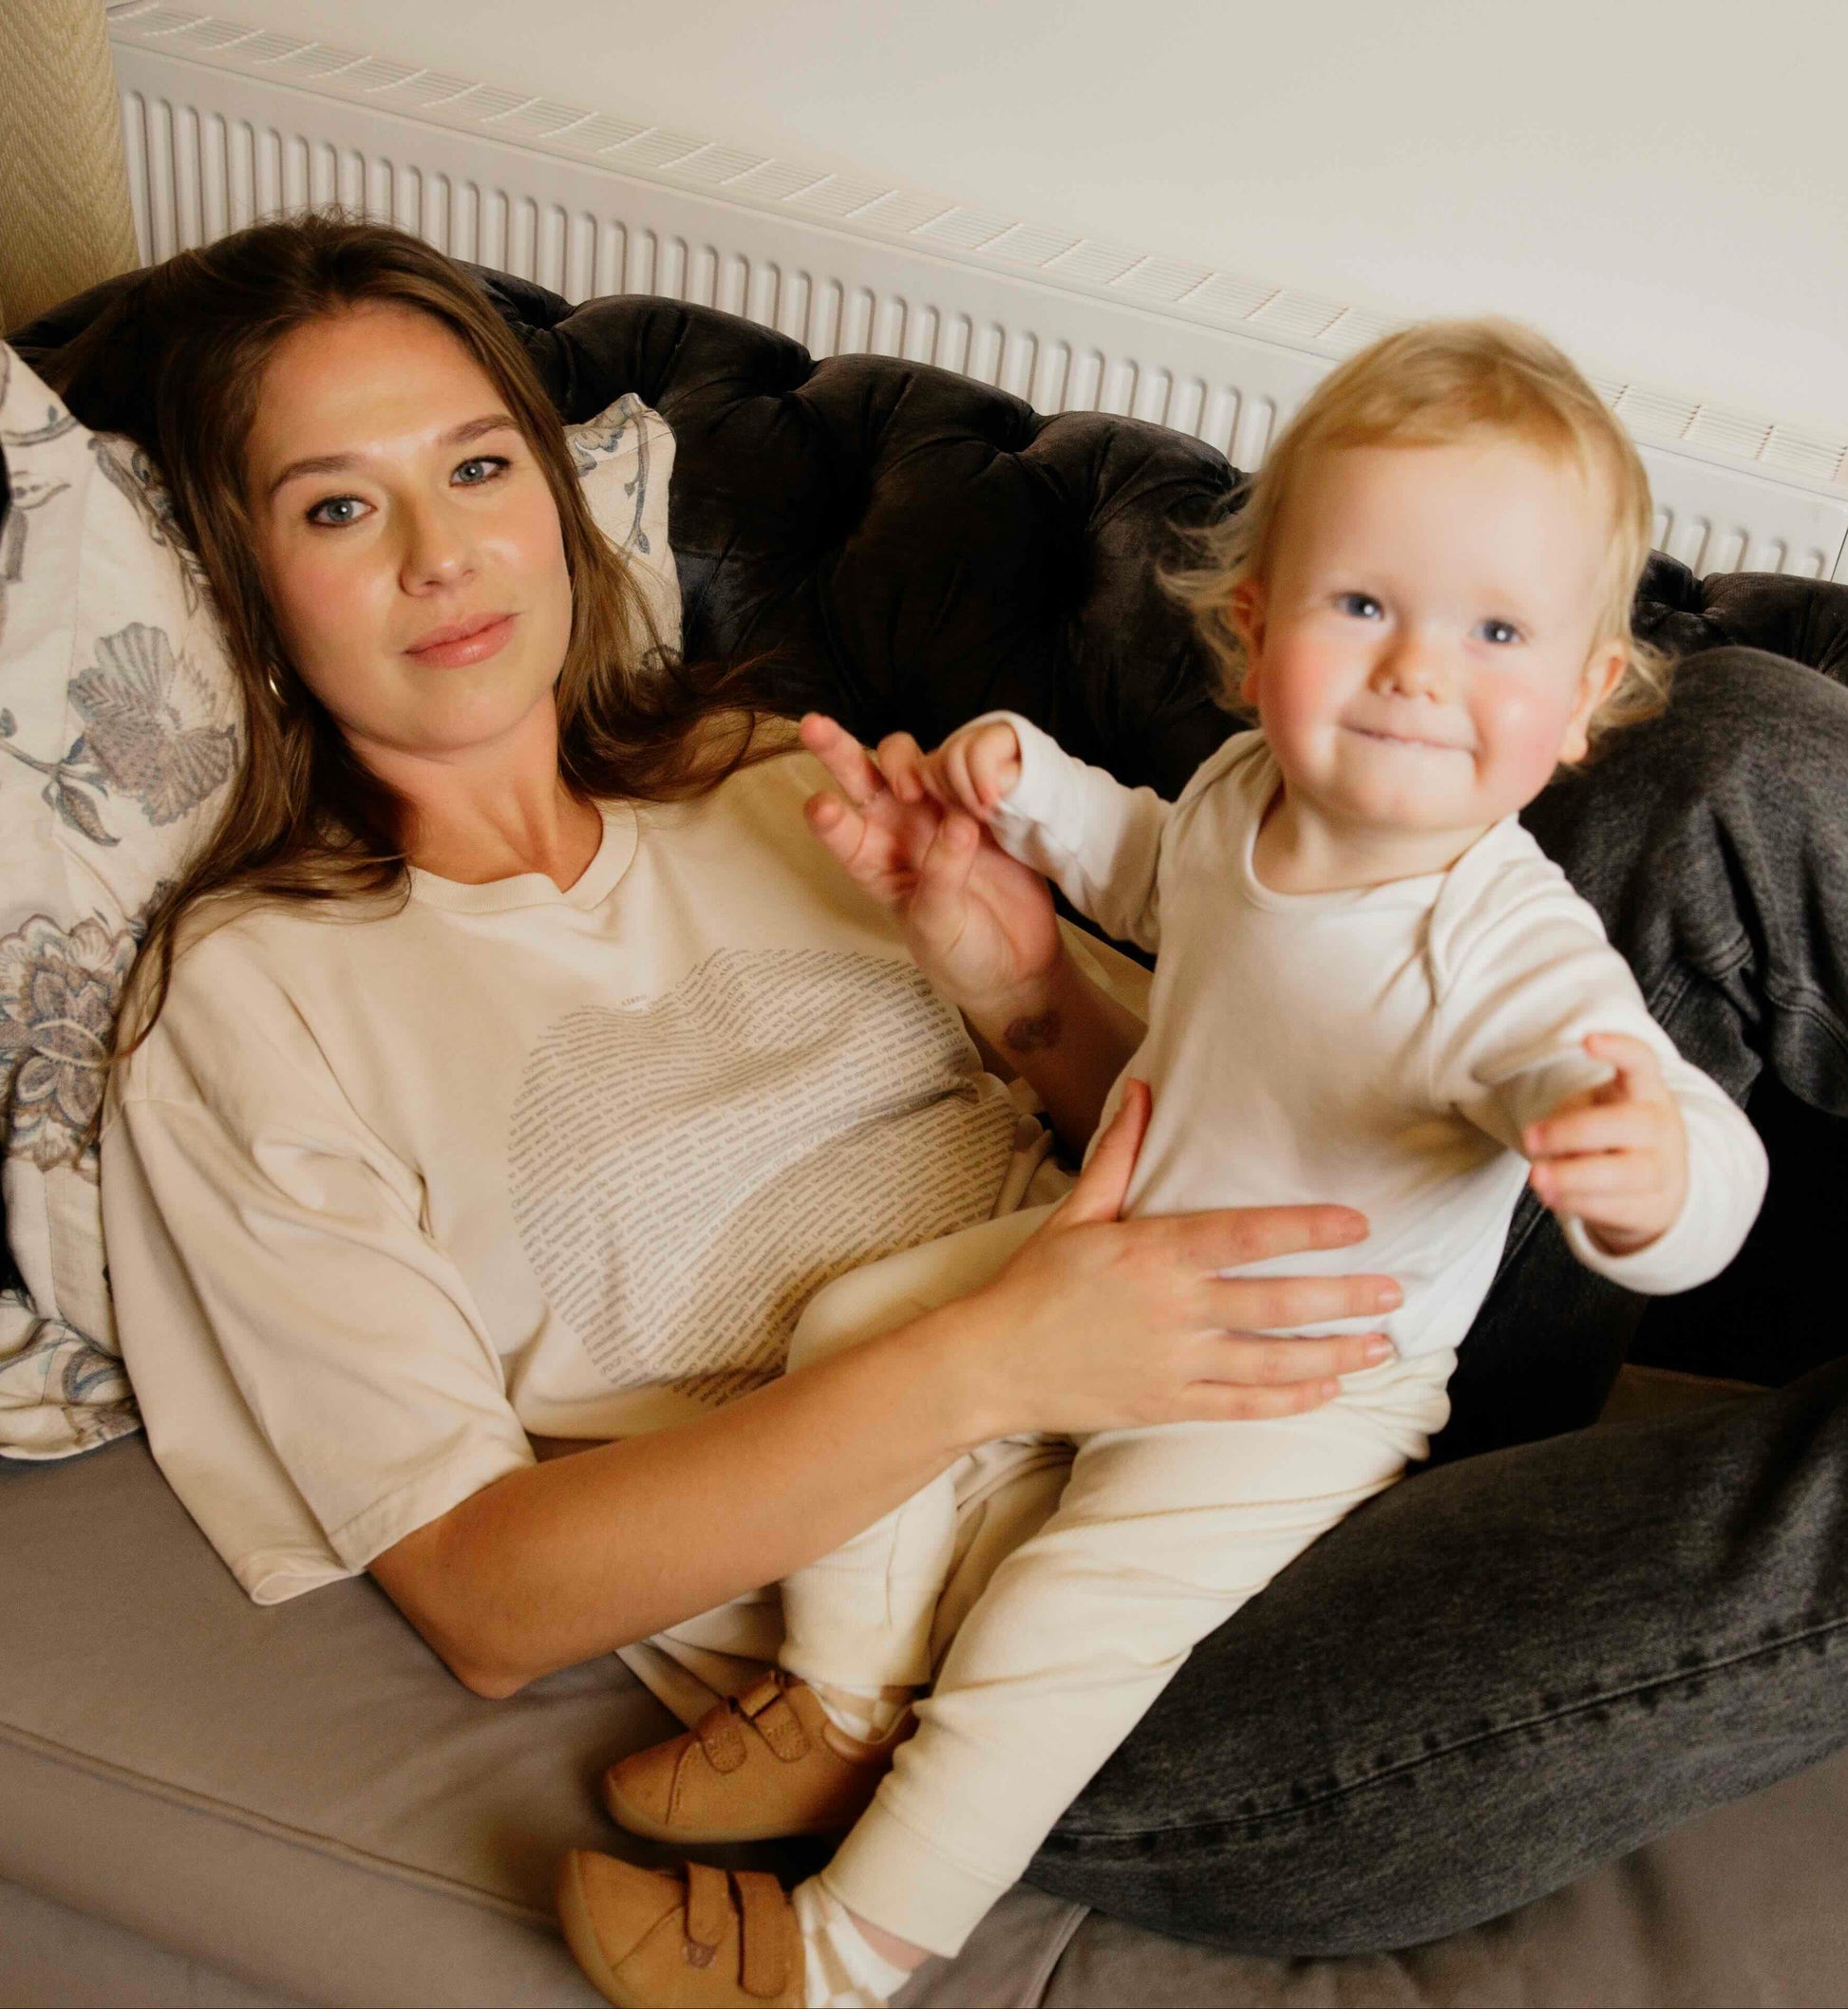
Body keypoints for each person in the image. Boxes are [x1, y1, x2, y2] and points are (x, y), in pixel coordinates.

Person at [47, 215, 1847, 2004]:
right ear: (240, 579)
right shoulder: (252, 1000)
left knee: (1735, 749)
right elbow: (482, 1600)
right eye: (338, 505)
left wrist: (1020, 988)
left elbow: (1239, 1096)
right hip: (1069, 1646)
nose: (445, 552)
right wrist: (1001, 1362)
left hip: (1359, 1339)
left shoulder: (763, 775)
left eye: (478, 462)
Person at [570, 322, 1767, 2007]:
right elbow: (1150, 880)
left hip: (1297, 1380)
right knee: (858, 1330)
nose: (1419, 670)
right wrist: (1033, 792)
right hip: (1112, 1250)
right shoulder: (1236, 792)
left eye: (1495, 632)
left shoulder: (1502, 946)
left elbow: (1648, 1118)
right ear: (1253, 622)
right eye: (1365, 606)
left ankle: (834, 1957)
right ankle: (835, 1698)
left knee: (1059, 1621)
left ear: (1579, 705)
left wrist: (1651, 1172)